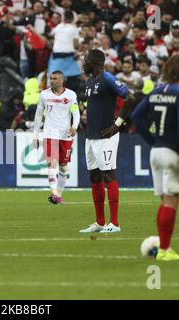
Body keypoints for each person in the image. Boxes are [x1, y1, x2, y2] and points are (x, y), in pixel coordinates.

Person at [131, 55, 179, 261]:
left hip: (156, 152)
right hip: (173, 152)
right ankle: (165, 250)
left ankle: (163, 246)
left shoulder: (155, 92)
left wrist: (152, 140)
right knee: (171, 200)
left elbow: (136, 117)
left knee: (163, 200)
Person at [79, 49, 133, 234]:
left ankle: (115, 223)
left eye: (85, 60)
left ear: (95, 61)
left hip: (106, 136)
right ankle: (100, 222)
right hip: (91, 137)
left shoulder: (108, 78)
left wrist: (117, 125)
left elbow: (130, 97)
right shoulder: (89, 82)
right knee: (94, 177)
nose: (83, 63)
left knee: (108, 175)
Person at [33, 70, 80, 205]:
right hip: (50, 133)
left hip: (65, 135)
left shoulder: (71, 95)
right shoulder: (44, 95)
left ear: (61, 80)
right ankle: (54, 194)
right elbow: (38, 115)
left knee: (63, 167)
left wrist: (75, 126)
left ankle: (59, 194)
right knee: (52, 163)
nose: (51, 81)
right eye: (51, 78)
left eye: (54, 79)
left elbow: (75, 113)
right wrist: (35, 135)